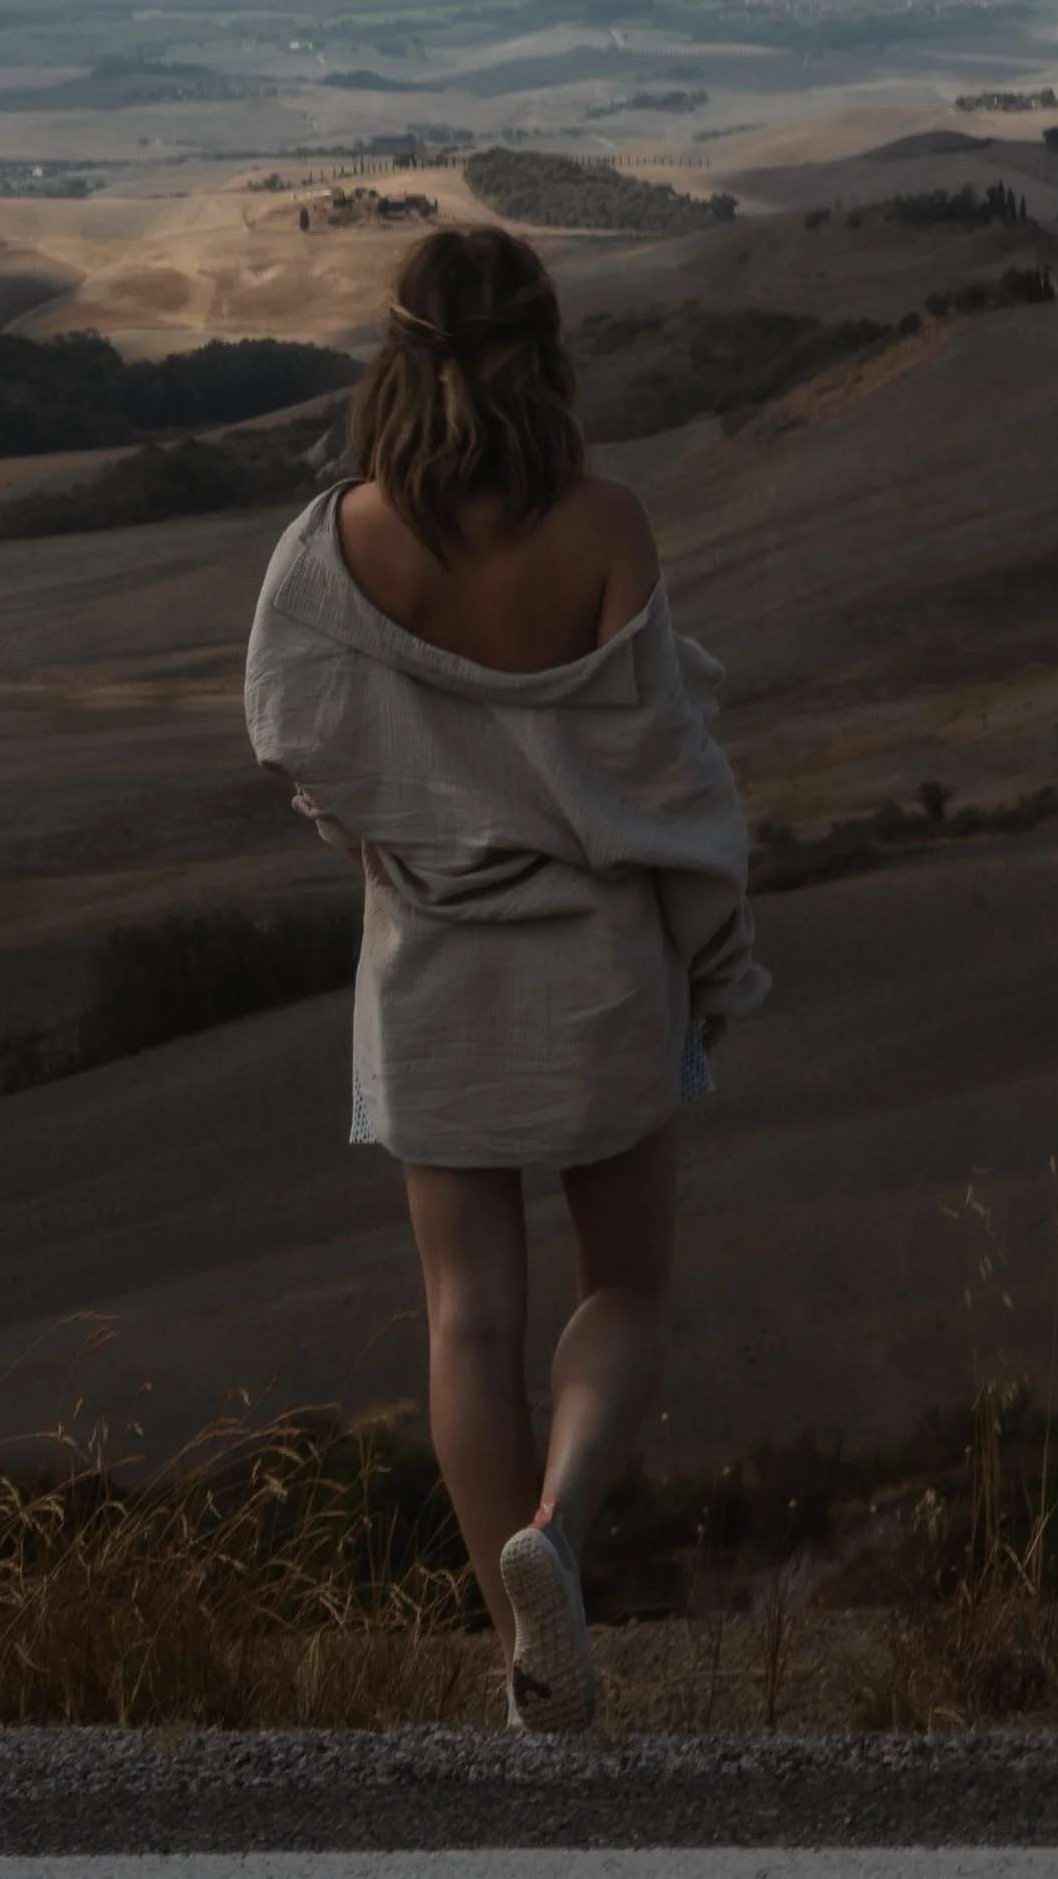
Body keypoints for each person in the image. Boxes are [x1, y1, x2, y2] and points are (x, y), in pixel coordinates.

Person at [244, 223, 766, 1734]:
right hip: (597, 968)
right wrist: (713, 949)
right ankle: (560, 1523)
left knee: (468, 1316)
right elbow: (663, 770)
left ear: (396, 352)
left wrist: (388, 842)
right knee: (632, 1283)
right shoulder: (607, 525)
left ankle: (528, 1661)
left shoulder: (331, 541)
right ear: (549, 348)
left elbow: (293, 737)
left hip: (429, 970)